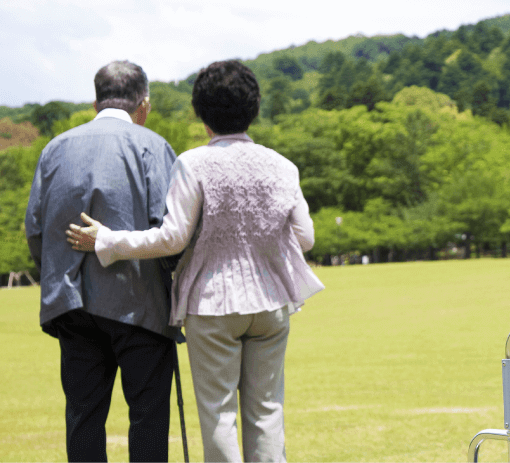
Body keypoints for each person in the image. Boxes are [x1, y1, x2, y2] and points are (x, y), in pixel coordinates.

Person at [66, 59, 325, 462]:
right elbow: (305, 238)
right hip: (272, 302)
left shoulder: (194, 163)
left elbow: (172, 238)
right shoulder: (283, 166)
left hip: (213, 303)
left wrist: (110, 240)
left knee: (219, 414)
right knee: (267, 411)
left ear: (202, 114)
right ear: (254, 109)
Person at [25, 60, 181, 462]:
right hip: (140, 304)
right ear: (143, 103)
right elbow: (170, 229)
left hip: (72, 303)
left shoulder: (55, 148)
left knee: (83, 418)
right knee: (147, 419)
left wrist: (60, 273)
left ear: (95, 102)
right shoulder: (151, 145)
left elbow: (35, 231)